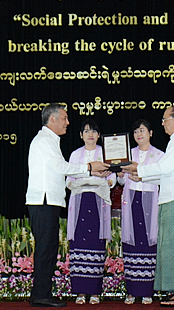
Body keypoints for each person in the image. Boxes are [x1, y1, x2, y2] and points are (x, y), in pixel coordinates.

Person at [26, 104, 110, 307]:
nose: (67, 122)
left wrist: (89, 170)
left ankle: (41, 292)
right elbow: (61, 167)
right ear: (52, 119)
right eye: (64, 118)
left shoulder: (50, 140)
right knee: (46, 248)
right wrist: (89, 168)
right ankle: (41, 295)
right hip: (43, 201)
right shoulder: (44, 140)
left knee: (48, 247)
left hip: (49, 202)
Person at [122, 106, 174, 307]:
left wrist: (140, 169)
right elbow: (166, 173)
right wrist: (140, 175)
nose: (163, 123)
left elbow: (165, 167)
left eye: (165, 119)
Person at [66, 119, 116, 305]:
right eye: (86, 131)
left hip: (98, 202)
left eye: (94, 131)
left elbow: (113, 179)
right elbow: (69, 181)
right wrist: (89, 176)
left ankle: (95, 291)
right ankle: (80, 292)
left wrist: (105, 180)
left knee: (96, 243)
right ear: (80, 135)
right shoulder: (74, 155)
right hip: (80, 202)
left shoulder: (105, 153)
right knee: (79, 242)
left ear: (98, 134)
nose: (90, 134)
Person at [118, 119, 164, 305]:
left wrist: (143, 173)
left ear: (151, 133)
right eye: (136, 131)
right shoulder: (128, 154)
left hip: (150, 200)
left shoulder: (160, 155)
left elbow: (162, 178)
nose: (139, 134)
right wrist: (120, 175)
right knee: (132, 242)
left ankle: (147, 291)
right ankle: (131, 291)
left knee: (146, 243)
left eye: (143, 130)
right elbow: (121, 182)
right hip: (131, 200)